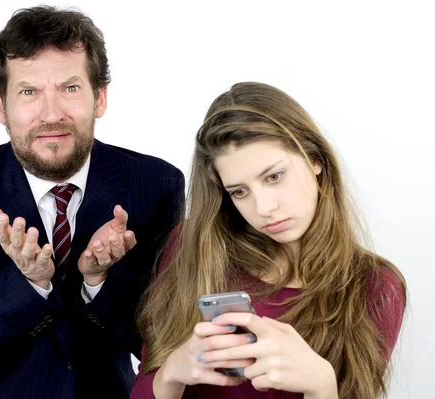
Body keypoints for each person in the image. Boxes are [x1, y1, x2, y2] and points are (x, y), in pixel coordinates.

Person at [0, 5, 184, 399]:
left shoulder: (157, 185)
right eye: (28, 92)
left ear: (100, 97)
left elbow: (166, 343)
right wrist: (28, 286)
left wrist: (99, 282)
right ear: (1, 106)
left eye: (70, 88)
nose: (51, 113)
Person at [130, 82, 406, 399]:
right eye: (239, 192)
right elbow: (144, 385)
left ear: (314, 158)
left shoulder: (375, 285)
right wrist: (170, 375)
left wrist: (322, 386)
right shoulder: (194, 247)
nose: (263, 209)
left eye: (273, 176)